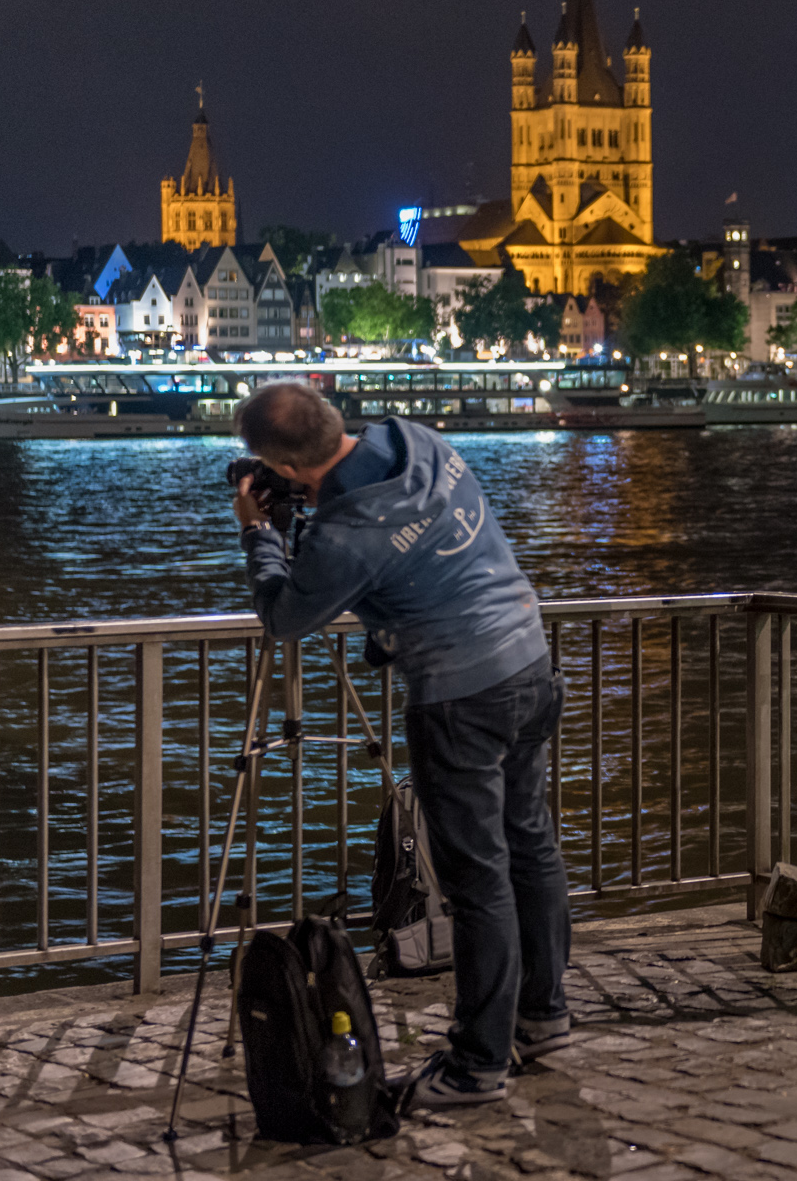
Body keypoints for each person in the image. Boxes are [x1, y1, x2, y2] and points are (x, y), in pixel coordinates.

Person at [230, 381, 570, 1110]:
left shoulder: (344, 534)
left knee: (478, 879)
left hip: (459, 694)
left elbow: (286, 617)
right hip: (530, 662)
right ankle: (544, 1016)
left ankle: (478, 1063)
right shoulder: (417, 440)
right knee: (531, 845)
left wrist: (260, 535)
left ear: (282, 467)